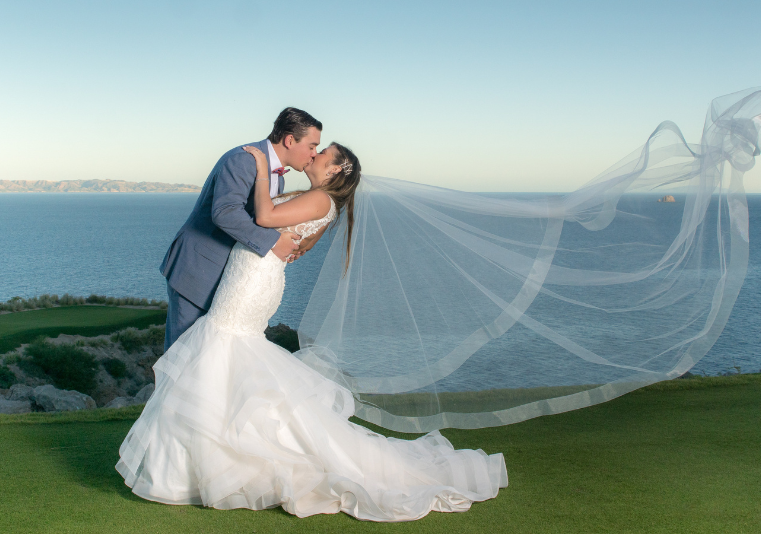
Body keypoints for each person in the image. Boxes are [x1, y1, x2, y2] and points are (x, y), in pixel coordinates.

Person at [116, 139, 509, 522]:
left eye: (324, 154)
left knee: (224, 344)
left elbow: (267, 218)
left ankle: (206, 461)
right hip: (252, 274)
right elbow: (293, 241)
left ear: (336, 169)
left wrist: (260, 172)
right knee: (226, 352)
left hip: (251, 281)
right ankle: (201, 460)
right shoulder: (324, 202)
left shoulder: (322, 200)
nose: (316, 156)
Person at [158, 107, 323, 353]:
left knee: (208, 359)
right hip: (197, 272)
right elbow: (225, 212)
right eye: (312, 146)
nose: (314, 154)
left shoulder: (278, 177)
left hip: (226, 278)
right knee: (182, 357)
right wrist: (273, 242)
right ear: (290, 140)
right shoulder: (243, 159)